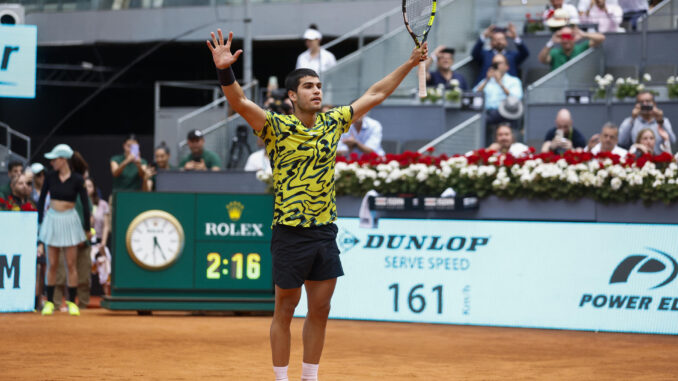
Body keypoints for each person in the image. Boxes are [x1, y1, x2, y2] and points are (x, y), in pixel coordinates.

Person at [206, 28, 427, 381]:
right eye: (309, 87)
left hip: (324, 231)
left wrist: (410, 62)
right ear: (292, 95)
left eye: (319, 86)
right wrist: (224, 70)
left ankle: (310, 377)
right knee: (285, 310)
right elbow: (239, 103)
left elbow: (377, 92)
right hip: (290, 233)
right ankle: (282, 378)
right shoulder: (275, 126)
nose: (317, 91)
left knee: (321, 310)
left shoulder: (333, 122)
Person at [37, 144, 91, 316]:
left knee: (71, 264)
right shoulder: (50, 177)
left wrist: (87, 228)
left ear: (63, 160)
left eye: (55, 159)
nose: (52, 162)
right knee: (52, 264)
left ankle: (71, 303)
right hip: (52, 219)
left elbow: (86, 205)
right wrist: (40, 224)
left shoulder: (77, 179)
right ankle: (50, 303)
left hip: (70, 221)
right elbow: (40, 202)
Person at [52, 152, 93, 311]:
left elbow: (88, 214)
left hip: (81, 239)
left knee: (83, 276)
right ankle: (54, 305)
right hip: (62, 237)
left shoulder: (81, 190)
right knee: (59, 274)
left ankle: (81, 306)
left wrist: (84, 233)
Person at [473, 53, 523, 128]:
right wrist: (486, 80)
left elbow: (516, 98)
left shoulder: (514, 81)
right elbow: (473, 94)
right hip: (486, 114)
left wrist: (500, 83)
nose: (496, 66)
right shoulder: (486, 81)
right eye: (494, 64)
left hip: (507, 114)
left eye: (499, 63)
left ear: (507, 67)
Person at [538, 25, 605, 71]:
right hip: (557, 86)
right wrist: (551, 41)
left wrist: (583, 34)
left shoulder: (581, 48)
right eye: (563, 37)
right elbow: (542, 59)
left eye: (568, 36)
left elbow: (601, 38)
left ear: (573, 37)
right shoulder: (555, 52)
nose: (566, 40)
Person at [85, 177, 112, 296]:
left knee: (105, 262)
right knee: (84, 266)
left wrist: (103, 243)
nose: (87, 189)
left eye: (89, 186)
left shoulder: (103, 204)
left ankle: (106, 295)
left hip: (100, 243)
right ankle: (82, 299)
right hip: (85, 244)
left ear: (94, 188)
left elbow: (107, 226)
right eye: (84, 187)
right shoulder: (80, 204)